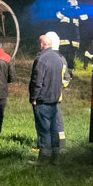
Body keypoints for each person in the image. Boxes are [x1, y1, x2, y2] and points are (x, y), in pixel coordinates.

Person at [28, 33, 64, 164]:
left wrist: (33, 98)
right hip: (54, 100)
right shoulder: (58, 58)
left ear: (43, 44)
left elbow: (37, 81)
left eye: (40, 43)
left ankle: (43, 158)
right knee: (54, 129)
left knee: (43, 130)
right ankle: (56, 157)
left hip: (42, 100)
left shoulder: (41, 59)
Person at [46, 31, 71, 149]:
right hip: (58, 96)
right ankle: (61, 143)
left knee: (45, 120)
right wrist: (61, 87)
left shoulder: (47, 58)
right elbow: (66, 78)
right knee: (58, 120)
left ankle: (46, 144)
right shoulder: (63, 59)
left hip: (46, 96)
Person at [56, 0, 89, 73]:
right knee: (64, 56)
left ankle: (69, 73)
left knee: (70, 56)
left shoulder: (77, 12)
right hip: (66, 39)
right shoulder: (64, 10)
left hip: (73, 40)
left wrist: (78, 10)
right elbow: (58, 15)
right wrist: (68, 10)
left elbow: (85, 17)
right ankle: (63, 72)